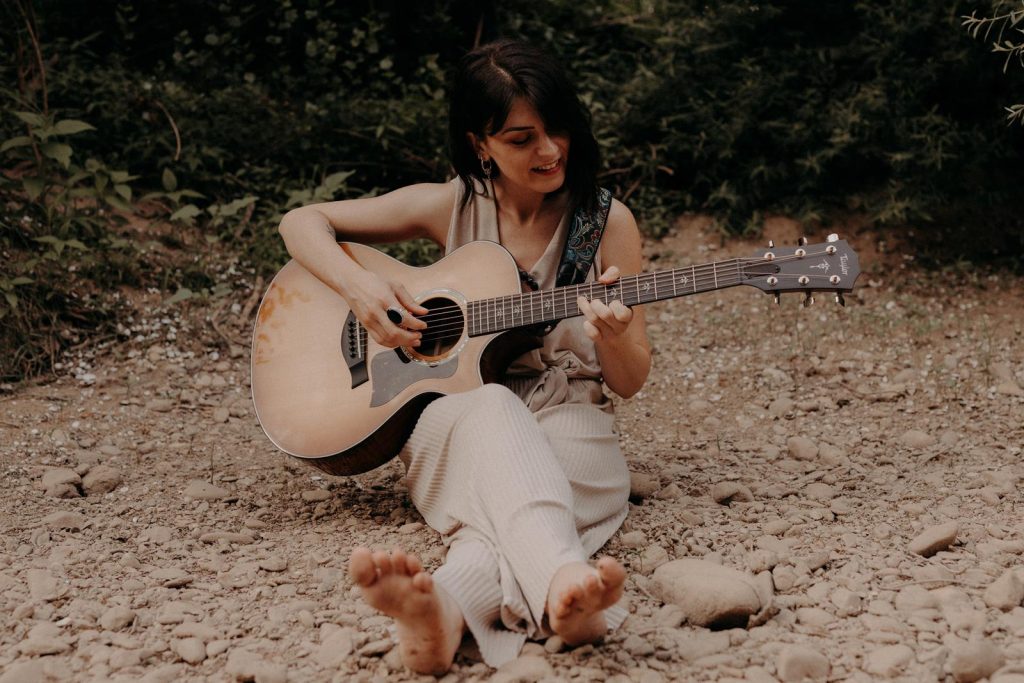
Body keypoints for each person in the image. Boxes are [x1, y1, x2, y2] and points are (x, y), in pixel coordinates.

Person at [277, 39, 651, 674]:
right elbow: (301, 222)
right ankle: (564, 584)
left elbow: (632, 380)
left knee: (528, 479)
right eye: (521, 137)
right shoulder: (448, 206)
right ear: (481, 143)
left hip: (569, 414)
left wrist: (612, 337)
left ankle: (446, 608)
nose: (550, 150)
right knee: (492, 407)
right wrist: (361, 288)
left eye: (558, 128)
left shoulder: (606, 222)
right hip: (454, 416)